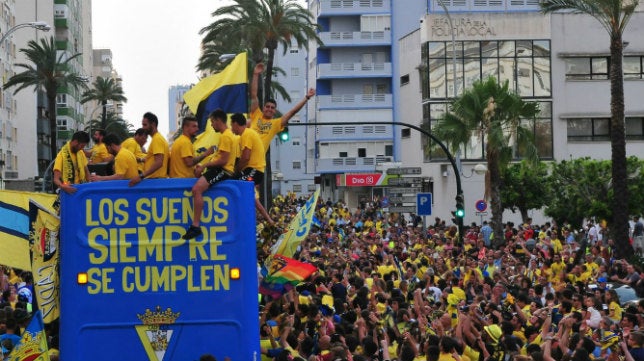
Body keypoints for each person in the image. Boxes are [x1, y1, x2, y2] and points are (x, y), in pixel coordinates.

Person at [183, 110, 237, 240]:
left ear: (218, 120)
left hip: (223, 171)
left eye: (212, 122)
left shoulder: (226, 136)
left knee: (196, 189)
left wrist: (204, 166)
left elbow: (223, 160)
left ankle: (196, 225)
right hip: (220, 170)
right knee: (197, 187)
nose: (212, 125)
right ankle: (195, 225)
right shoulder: (227, 135)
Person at [249, 62, 315, 152]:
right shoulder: (256, 114)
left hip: (257, 162)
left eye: (272, 108)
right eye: (267, 106)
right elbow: (253, 95)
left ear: (275, 111)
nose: (269, 109)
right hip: (245, 152)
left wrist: (307, 97)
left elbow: (293, 112)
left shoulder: (276, 123)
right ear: (263, 108)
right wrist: (256, 74)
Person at [230, 113, 275, 226]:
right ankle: (269, 221)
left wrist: (236, 171)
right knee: (251, 197)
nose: (231, 129)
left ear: (236, 124)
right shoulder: (243, 137)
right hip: (250, 171)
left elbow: (245, 158)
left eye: (231, 125)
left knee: (234, 184)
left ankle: (241, 217)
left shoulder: (247, 134)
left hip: (254, 170)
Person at [129, 112, 169, 186]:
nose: (143, 128)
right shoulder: (158, 138)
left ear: (153, 124)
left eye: (145, 125)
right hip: (156, 181)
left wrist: (141, 176)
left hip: (155, 182)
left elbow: (159, 162)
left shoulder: (157, 139)